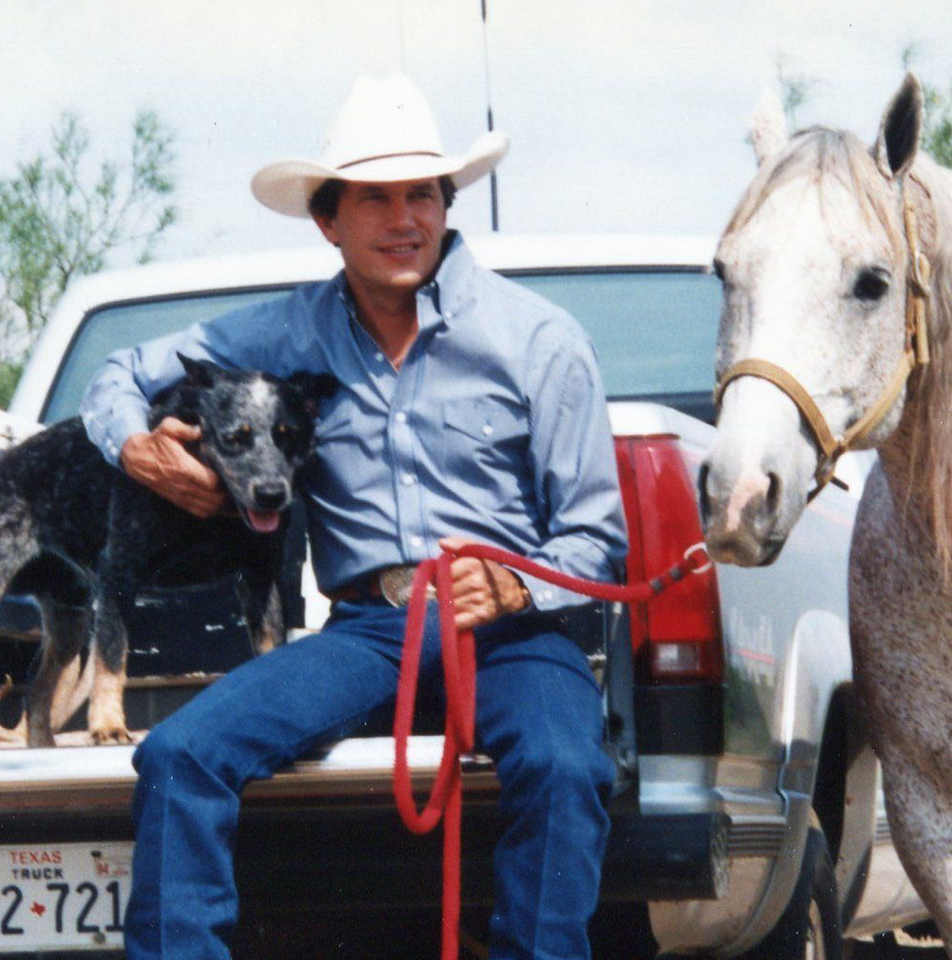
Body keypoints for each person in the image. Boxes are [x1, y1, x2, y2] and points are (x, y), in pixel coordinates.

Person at [79, 73, 628, 960]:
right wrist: (134, 447)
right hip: (372, 631)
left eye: (422, 195)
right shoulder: (287, 333)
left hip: (517, 636)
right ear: (328, 221)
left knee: (566, 769)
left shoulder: (540, 339)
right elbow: (121, 374)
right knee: (180, 757)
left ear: (449, 207)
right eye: (374, 199)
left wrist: (515, 583)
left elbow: (598, 539)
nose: (403, 219)